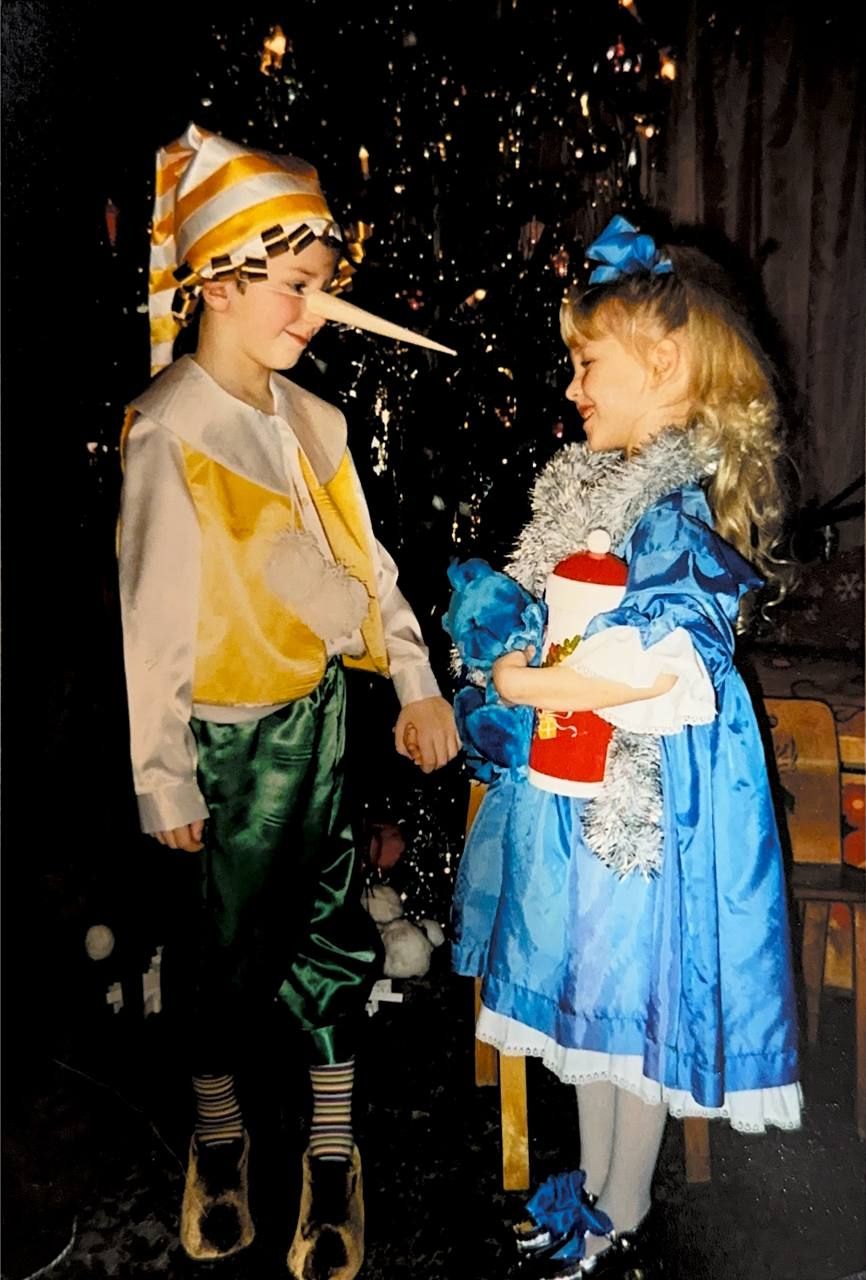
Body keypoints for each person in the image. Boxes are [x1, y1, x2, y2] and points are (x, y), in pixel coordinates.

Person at [117, 121, 459, 1278]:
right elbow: (152, 620)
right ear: (217, 279)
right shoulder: (170, 430)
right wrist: (163, 773)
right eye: (297, 286)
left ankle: (329, 1153)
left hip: (315, 731)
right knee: (215, 956)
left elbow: (365, 570)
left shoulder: (315, 425)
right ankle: (219, 1141)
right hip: (221, 752)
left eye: (321, 287)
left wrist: (410, 676)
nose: (316, 312)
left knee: (328, 939)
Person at [446, 215, 801, 1278]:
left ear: (666, 364)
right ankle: (599, 1191)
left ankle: (622, 1205)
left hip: (646, 806)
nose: (570, 389)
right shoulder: (593, 497)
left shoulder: (674, 513)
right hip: (578, 792)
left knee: (630, 1008)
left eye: (587, 363)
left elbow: (658, 669)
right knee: (590, 1004)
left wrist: (527, 683)